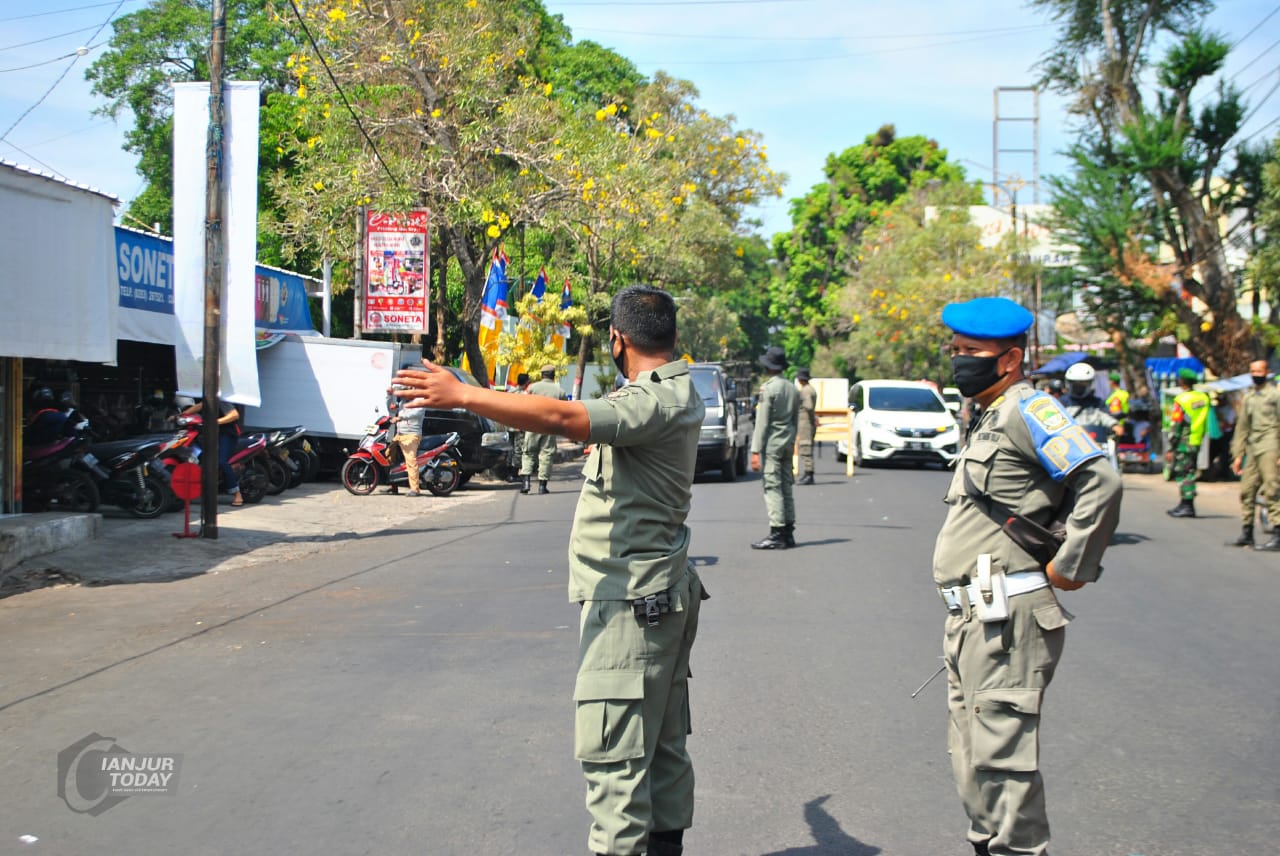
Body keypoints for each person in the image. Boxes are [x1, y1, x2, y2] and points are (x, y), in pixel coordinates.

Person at [391, 285, 705, 856]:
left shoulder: (653, 401)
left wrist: (464, 395)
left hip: (632, 606)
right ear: (674, 337)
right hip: (657, 595)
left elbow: (562, 415)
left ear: (617, 339)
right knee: (658, 751)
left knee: (616, 763)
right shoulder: (672, 390)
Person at [934, 296, 1122, 856]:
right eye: (956, 350)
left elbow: (1102, 480)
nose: (959, 360)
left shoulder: (1028, 409)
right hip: (973, 617)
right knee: (971, 756)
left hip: (1007, 614)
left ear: (1010, 359)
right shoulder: (990, 413)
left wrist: (1071, 566)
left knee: (1002, 758)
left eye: (971, 352)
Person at [750, 346, 799, 549]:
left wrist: (755, 451)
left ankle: (777, 532)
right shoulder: (792, 388)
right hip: (787, 442)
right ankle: (788, 531)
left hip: (772, 445)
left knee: (773, 487)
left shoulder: (769, 388)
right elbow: (795, 419)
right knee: (786, 485)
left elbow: (762, 422)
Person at [1227, 360, 1280, 549]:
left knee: (1272, 489)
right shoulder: (1249, 397)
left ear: (1267, 372)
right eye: (1253, 371)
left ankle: (1277, 532)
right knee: (1246, 490)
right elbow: (1242, 427)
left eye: (1259, 371)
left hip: (1270, 444)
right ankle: (1247, 532)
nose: (1256, 374)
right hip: (1253, 447)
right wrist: (1238, 455)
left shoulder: (1275, 395)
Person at [1166, 368, 1211, 518]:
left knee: (1184, 473)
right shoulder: (1203, 398)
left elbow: (1177, 424)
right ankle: (1184, 503)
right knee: (1190, 470)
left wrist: (1171, 444)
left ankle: (1187, 504)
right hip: (1197, 439)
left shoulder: (1182, 400)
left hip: (1184, 441)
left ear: (1182, 381)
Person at [182, 397, 243, 506]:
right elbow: (200, 406)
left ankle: (237, 493)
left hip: (226, 434)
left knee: (222, 462)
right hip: (212, 433)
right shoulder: (209, 396)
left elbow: (234, 415)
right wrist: (180, 416)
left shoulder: (223, 399)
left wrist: (215, 422)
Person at [520, 365, 568, 495]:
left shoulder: (532, 388)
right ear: (553, 375)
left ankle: (526, 482)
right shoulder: (560, 391)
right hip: (550, 427)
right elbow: (566, 408)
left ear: (542, 375)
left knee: (528, 452)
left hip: (532, 424)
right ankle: (542, 486)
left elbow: (523, 405)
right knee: (546, 454)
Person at [389, 362, 425, 497]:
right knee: (389, 456)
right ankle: (392, 486)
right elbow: (391, 405)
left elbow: (415, 413)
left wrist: (400, 417)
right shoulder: (403, 401)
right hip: (400, 433)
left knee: (410, 460)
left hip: (412, 435)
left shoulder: (421, 400)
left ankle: (415, 489)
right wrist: (389, 395)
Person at [795, 368, 817, 485]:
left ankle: (809, 473)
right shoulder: (809, 389)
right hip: (807, 421)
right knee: (806, 447)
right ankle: (807, 473)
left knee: (805, 447)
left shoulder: (806, 391)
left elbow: (808, 406)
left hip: (805, 422)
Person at [1105, 371, 1130, 437]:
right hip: (1123, 423)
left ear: (1112, 382)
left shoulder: (1116, 395)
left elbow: (1114, 411)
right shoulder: (1124, 393)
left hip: (1116, 426)